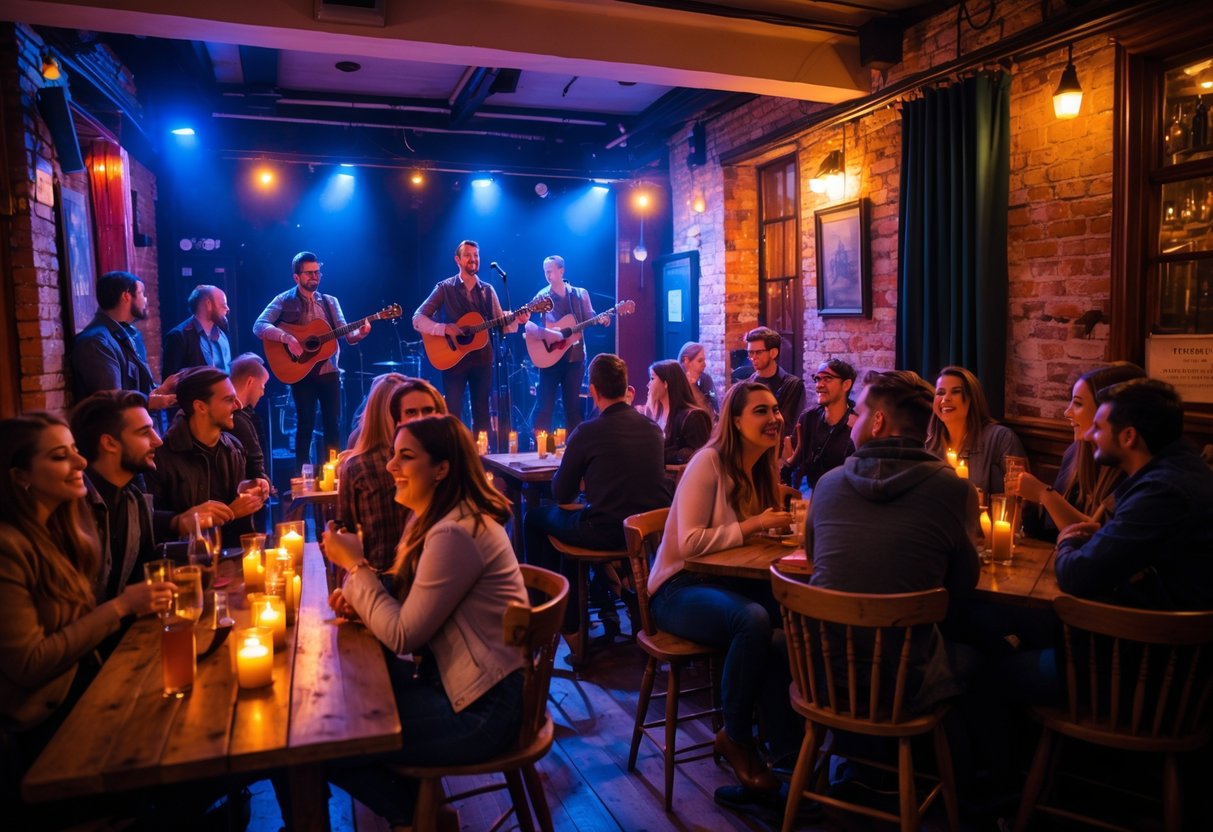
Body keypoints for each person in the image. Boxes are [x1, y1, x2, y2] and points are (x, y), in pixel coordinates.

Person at [319, 415, 527, 828]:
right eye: (393, 455)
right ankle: (420, 810)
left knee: (327, 741)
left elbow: (403, 634)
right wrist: (367, 593)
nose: (391, 466)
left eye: (406, 457)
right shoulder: (438, 518)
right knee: (338, 704)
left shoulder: (455, 532)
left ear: (442, 468)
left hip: (482, 709)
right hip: (460, 685)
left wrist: (356, 568)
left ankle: (422, 816)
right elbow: (414, 589)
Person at [647, 382, 797, 794]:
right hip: (678, 587)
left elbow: (749, 544)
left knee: (792, 617)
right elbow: (689, 543)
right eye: (761, 412)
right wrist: (755, 525)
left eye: (776, 410)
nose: (774, 418)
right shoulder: (707, 462)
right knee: (752, 620)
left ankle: (788, 750)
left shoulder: (765, 466)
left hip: (726, 581)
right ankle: (736, 737)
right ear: (735, 420)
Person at [0, 414, 172, 773]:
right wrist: (122, 606)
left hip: (91, 690)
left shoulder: (63, 529)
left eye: (75, 450)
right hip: (48, 727)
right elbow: (29, 665)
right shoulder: (8, 548)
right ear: (20, 477)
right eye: (60, 456)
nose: (80, 462)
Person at [809, 370, 979, 709]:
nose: (851, 422)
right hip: (907, 683)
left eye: (856, 413)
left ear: (878, 422)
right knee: (985, 657)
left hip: (824, 674)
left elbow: (814, 561)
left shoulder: (828, 484)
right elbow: (962, 587)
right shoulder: (956, 490)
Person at [524, 354, 672, 656]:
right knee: (568, 525)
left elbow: (561, 493)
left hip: (604, 532)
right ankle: (580, 614)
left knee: (535, 519)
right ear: (626, 387)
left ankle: (547, 615)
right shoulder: (652, 429)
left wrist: (578, 476)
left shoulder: (587, 431)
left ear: (593, 391)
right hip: (646, 535)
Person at [1054, 378, 1213, 609]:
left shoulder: (1162, 491)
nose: (1088, 436)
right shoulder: (1180, 468)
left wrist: (1067, 540)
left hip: (1155, 637)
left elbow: (1075, 575)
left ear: (1128, 436)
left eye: (1098, 428)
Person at [253, 251, 371, 474]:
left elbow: (347, 334)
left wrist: (361, 333)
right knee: (305, 425)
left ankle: (334, 474)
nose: (315, 277)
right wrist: (285, 337)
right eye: (309, 273)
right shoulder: (283, 300)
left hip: (329, 372)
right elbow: (259, 325)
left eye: (318, 272)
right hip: (301, 372)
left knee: (333, 426)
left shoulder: (330, 302)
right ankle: (301, 475)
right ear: (296, 277)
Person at [412, 240, 529, 439]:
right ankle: (455, 457)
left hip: (483, 359)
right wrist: (444, 328)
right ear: (457, 260)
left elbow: (499, 322)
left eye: (476, 255)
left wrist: (517, 319)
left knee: (482, 413)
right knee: (453, 413)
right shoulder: (444, 288)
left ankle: (482, 461)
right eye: (468, 255)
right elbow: (417, 319)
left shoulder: (488, 291)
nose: (473, 259)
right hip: (453, 359)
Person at [1013, 362, 1146, 537]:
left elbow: (1100, 540)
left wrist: (1043, 494)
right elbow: (1051, 532)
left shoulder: (1134, 467)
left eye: (1077, 404)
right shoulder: (1076, 452)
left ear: (1106, 411)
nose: (1067, 412)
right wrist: (1029, 504)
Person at [145, 367, 269, 546]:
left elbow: (243, 531)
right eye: (229, 400)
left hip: (232, 563)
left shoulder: (233, 448)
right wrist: (229, 513)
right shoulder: (162, 457)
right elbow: (150, 524)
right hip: (186, 567)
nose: (239, 405)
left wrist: (256, 488)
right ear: (201, 407)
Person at [70, 270, 175, 409]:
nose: (145, 299)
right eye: (141, 293)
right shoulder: (95, 342)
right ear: (126, 296)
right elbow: (112, 400)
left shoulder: (131, 334)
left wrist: (161, 390)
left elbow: (136, 390)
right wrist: (152, 402)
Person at [525, 255, 606, 433]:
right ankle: (540, 449)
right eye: (545, 272)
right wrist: (548, 334)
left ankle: (574, 448)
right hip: (550, 357)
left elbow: (590, 318)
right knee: (545, 406)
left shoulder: (580, 294)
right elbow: (529, 323)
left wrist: (602, 318)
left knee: (572, 406)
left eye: (550, 271)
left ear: (561, 271)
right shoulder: (541, 296)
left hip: (574, 358)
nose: (547, 275)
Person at [337, 374, 410, 570]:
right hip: (416, 573)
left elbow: (347, 532)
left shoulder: (355, 466)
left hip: (376, 574)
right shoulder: (419, 459)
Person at [925, 365, 1026, 497]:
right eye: (940, 392)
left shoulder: (1001, 438)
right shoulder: (928, 443)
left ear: (972, 398)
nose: (945, 399)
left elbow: (1022, 501)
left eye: (956, 391)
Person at [780, 358, 858, 491]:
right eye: (817, 379)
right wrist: (787, 464)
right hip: (808, 499)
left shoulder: (856, 426)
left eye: (827, 378)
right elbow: (790, 465)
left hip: (841, 500)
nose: (819, 385)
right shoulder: (808, 418)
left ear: (846, 385)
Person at [744, 326, 804, 439]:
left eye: (758, 352)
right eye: (750, 353)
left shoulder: (793, 385)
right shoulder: (746, 386)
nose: (753, 358)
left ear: (773, 353)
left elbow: (786, 427)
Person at [647, 360, 712, 464]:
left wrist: (660, 454)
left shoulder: (693, 417)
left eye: (652, 378)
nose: (648, 384)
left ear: (665, 383)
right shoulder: (655, 415)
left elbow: (698, 454)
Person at [162, 284, 231, 376]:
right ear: (208, 304)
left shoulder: (222, 335)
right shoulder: (178, 336)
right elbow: (169, 383)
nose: (227, 308)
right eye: (223, 304)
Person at [679, 341, 718, 416]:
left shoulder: (706, 379)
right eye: (700, 361)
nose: (704, 365)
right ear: (686, 361)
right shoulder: (675, 384)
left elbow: (714, 411)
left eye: (704, 360)